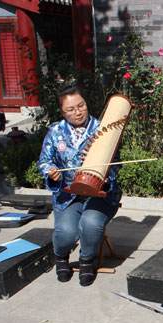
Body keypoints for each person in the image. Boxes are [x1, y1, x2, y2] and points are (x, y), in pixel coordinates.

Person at [37, 84, 122, 286]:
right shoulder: (55, 132)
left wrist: (104, 177)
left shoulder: (104, 128)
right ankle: (61, 257)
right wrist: (51, 172)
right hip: (68, 193)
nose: (78, 112)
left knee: (90, 224)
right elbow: (44, 161)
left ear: (86, 103)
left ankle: (86, 260)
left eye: (81, 106)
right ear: (62, 112)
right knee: (66, 233)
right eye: (70, 109)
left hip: (98, 193)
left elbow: (116, 163)